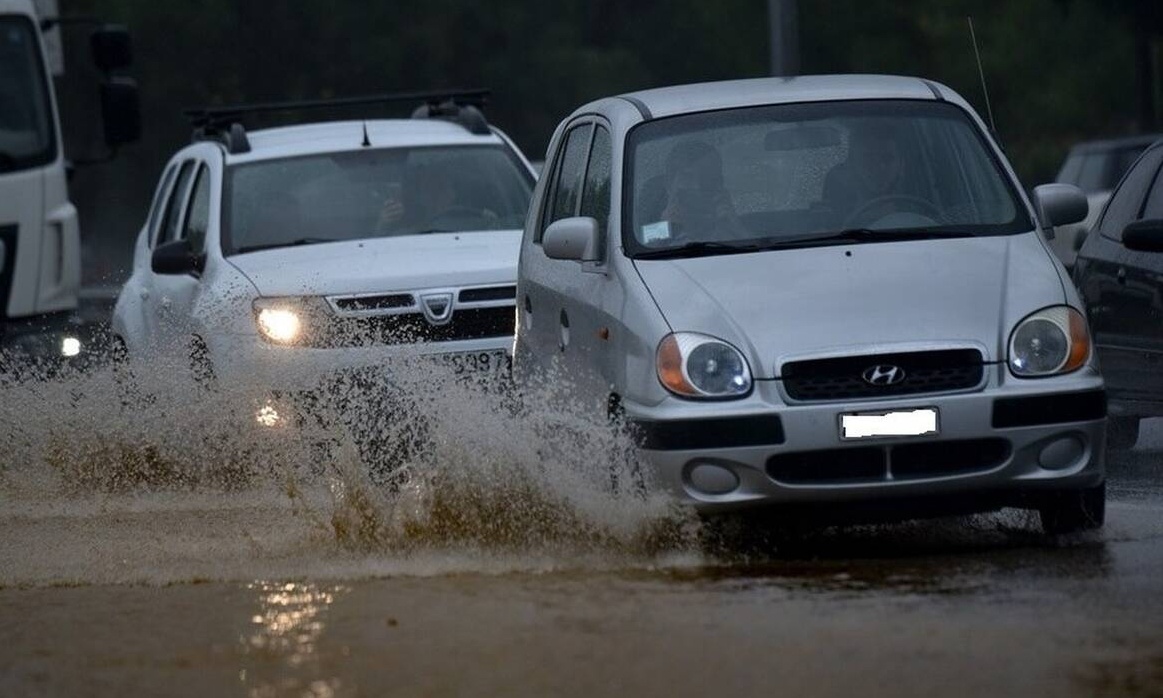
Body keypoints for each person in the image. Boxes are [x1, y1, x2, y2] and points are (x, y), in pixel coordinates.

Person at [641, 139, 747, 244]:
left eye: (706, 179)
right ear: (669, 185)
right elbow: (641, 245)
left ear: (719, 186)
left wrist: (735, 225)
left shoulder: (732, 230)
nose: (697, 186)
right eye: (688, 177)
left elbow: (755, 249)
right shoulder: (651, 233)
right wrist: (664, 227)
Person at [822, 122, 909, 222]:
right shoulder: (833, 223)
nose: (879, 167)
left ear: (901, 165)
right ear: (852, 164)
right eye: (868, 159)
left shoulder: (919, 215)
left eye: (887, 159)